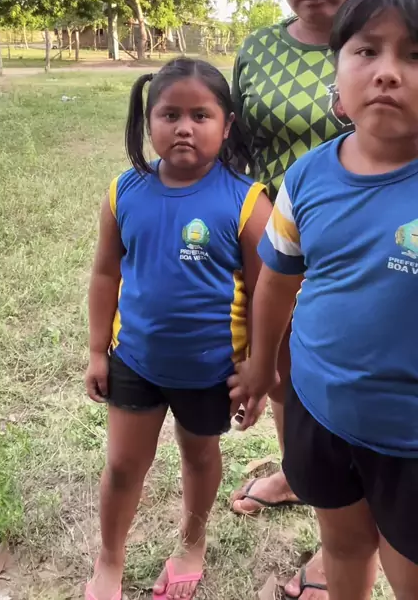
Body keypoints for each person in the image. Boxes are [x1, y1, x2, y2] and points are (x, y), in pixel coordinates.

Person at [231, 0, 418, 600]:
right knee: (343, 544)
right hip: (320, 410)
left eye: (414, 55)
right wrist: (261, 365)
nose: (387, 72)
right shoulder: (308, 177)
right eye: (366, 50)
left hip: (409, 440)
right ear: (337, 70)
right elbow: (277, 284)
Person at [84, 58, 272, 600]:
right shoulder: (125, 192)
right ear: (149, 122)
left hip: (211, 371)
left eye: (200, 115)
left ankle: (192, 543)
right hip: (135, 360)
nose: (184, 127)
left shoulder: (247, 201)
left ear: (227, 125)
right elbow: (105, 274)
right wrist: (97, 351)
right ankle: (109, 558)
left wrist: (258, 368)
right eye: (169, 115)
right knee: (123, 465)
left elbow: (268, 293)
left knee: (199, 455)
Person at [230, 0, 373, 599]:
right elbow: (238, 149)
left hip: (360, 257)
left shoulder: (382, 43)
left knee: (349, 388)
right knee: (284, 376)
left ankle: (339, 542)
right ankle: (298, 472)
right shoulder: (258, 49)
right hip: (273, 249)